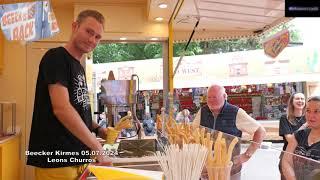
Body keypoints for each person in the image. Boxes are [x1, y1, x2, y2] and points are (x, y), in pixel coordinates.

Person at [27, 10, 111, 180]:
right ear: (75, 26)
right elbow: (62, 108)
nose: (92, 40)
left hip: (76, 161)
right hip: (57, 161)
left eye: (97, 37)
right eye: (89, 31)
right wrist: (97, 147)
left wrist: (97, 129)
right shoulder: (56, 57)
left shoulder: (78, 67)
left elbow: (77, 108)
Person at [192, 84, 266, 179]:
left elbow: (260, 131)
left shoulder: (236, 112)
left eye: (214, 97)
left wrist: (247, 155)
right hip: (207, 168)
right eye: (209, 97)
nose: (211, 100)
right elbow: (193, 132)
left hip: (230, 168)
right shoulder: (203, 111)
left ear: (224, 96)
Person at [282, 96, 320, 180]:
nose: (311, 115)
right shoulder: (299, 134)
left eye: (317, 111)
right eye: (308, 111)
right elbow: (286, 161)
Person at [278, 93, 307, 179]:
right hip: (289, 156)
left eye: (302, 99)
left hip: (306, 156)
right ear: (292, 102)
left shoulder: (308, 117)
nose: (300, 101)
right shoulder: (285, 118)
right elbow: (290, 140)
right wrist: (305, 125)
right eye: (297, 99)